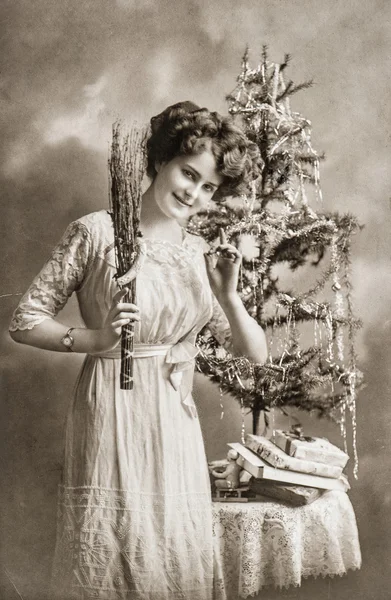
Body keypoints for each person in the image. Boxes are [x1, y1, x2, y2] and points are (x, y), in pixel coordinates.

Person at [9, 101, 268, 600]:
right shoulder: (97, 232)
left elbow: (254, 355)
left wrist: (229, 295)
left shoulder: (198, 253)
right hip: (112, 406)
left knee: (174, 550)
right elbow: (24, 321)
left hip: (175, 418)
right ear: (160, 162)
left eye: (208, 187)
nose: (194, 193)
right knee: (117, 549)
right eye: (188, 174)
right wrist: (97, 340)